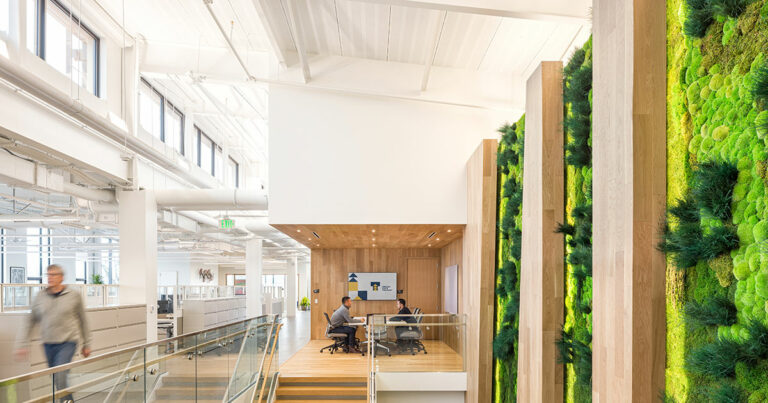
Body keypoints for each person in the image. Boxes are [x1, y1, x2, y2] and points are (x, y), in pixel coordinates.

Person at [15, 264, 91, 402]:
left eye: (54, 275)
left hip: (68, 342)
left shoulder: (74, 295)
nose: (50, 278)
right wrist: (22, 344)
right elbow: (29, 321)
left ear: (61, 278)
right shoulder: (40, 296)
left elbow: (83, 320)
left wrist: (87, 343)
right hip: (48, 344)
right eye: (48, 275)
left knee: (60, 376)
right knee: (56, 379)